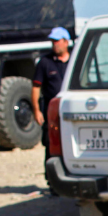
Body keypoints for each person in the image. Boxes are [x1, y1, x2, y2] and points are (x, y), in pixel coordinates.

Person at [32, 26, 71, 163]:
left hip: (70, 109)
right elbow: (36, 87)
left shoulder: (74, 61)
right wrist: (36, 111)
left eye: (57, 41)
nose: (55, 44)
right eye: (53, 41)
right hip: (51, 111)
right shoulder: (45, 62)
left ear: (66, 42)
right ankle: (51, 177)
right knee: (50, 143)